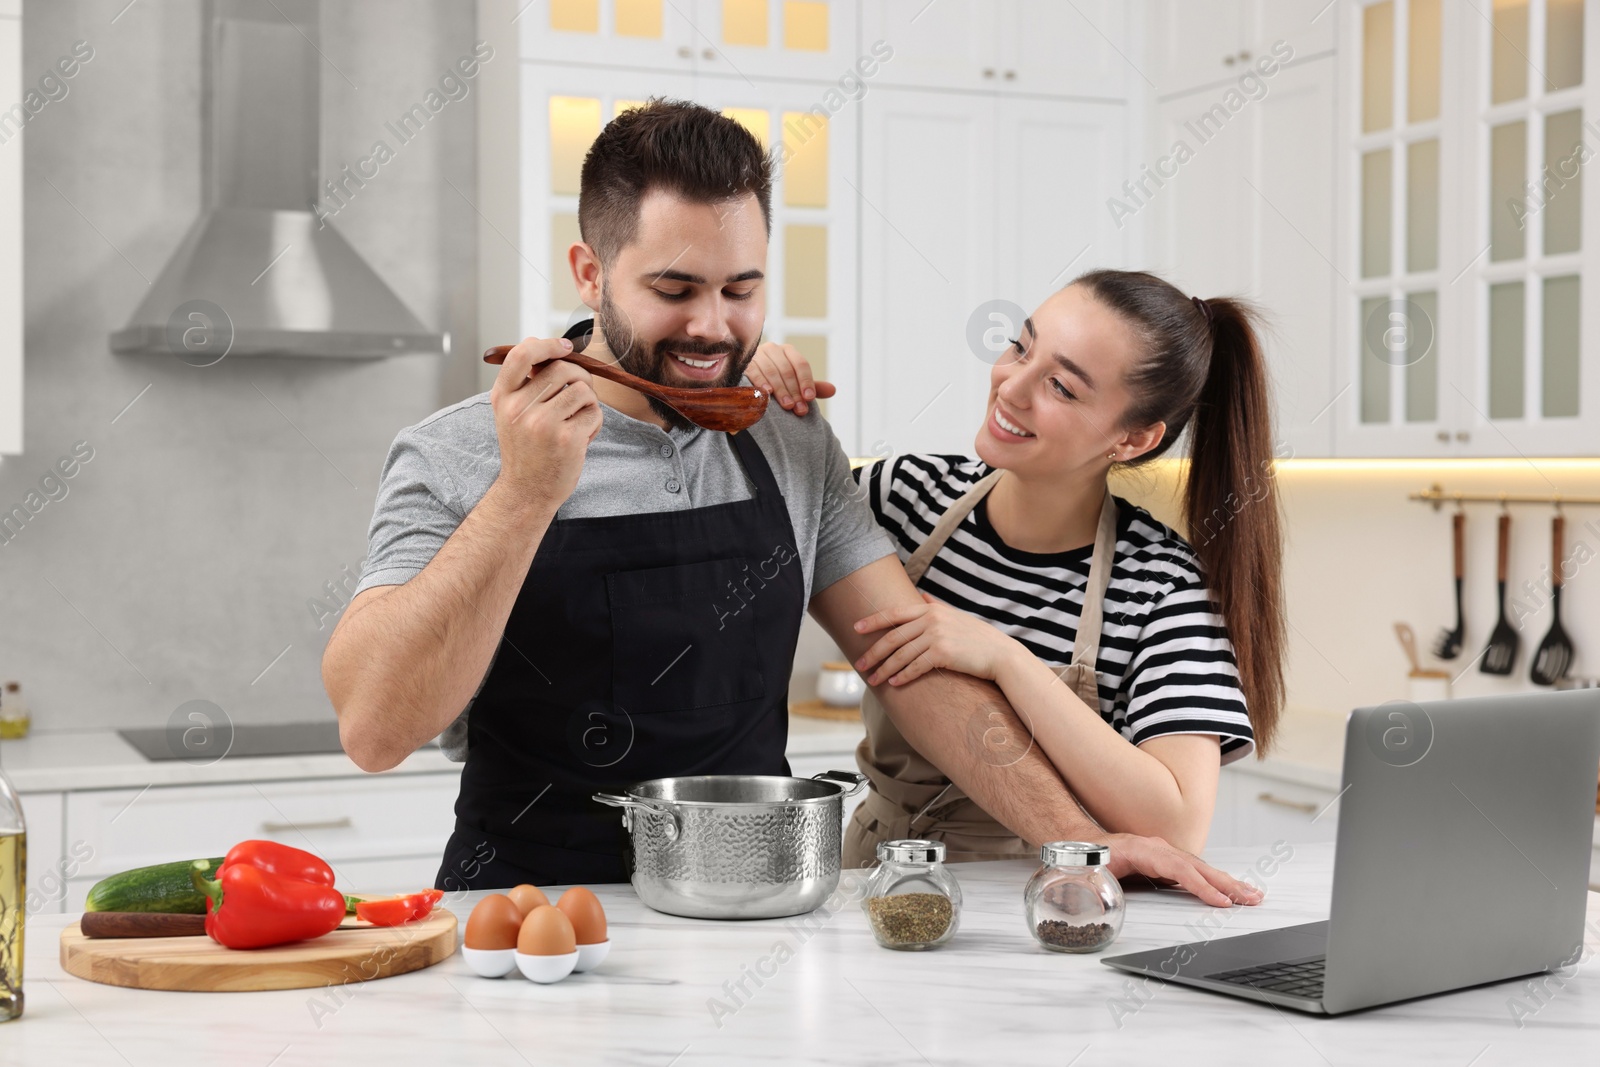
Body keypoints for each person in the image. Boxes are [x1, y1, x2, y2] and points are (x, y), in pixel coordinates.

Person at [322, 99, 1262, 907]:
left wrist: (1071, 841)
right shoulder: (456, 451)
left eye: (742, 288)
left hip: (755, 904)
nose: (712, 326)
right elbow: (375, 727)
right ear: (588, 271)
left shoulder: (789, 438)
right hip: (528, 907)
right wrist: (525, 496)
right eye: (673, 288)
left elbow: (909, 664)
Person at [748, 271, 1286, 866]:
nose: (1012, 387)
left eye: (1060, 386)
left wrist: (1006, 660)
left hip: (1048, 896)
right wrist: (755, 388)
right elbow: (750, 531)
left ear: (1133, 440)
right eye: (1020, 348)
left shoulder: (1160, 586)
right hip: (879, 877)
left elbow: (1177, 826)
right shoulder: (901, 498)